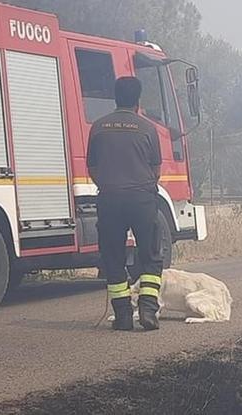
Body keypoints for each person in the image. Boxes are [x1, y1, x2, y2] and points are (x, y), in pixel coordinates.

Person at [87, 76, 164, 331]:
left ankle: (122, 316)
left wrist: (110, 186)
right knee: (150, 255)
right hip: (142, 199)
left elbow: (93, 168)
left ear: (115, 97)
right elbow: (156, 169)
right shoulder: (148, 129)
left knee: (113, 257)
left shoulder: (97, 127)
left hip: (109, 199)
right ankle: (148, 310)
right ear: (138, 100)